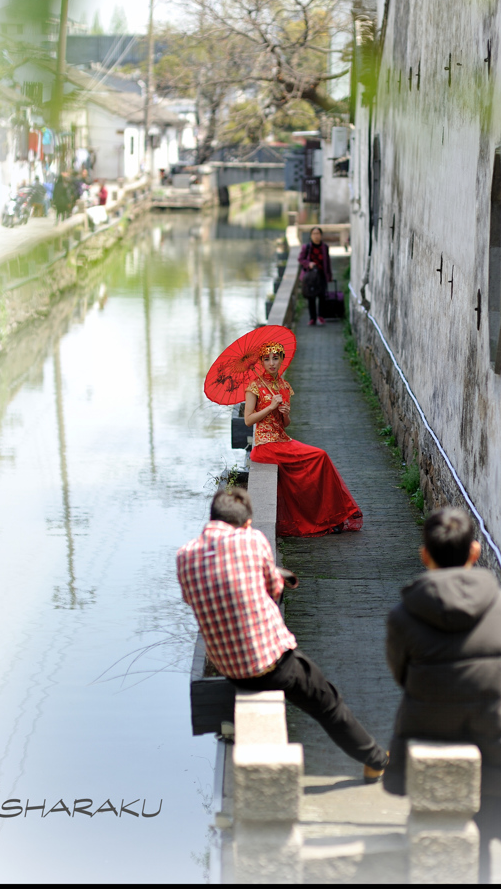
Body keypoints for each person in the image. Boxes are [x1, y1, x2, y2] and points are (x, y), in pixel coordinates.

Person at [383, 507, 501, 884]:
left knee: (438, 838)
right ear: (475, 552)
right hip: (499, 743)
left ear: (424, 555)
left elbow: (402, 675)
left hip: (430, 738)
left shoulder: (403, 616)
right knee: (484, 849)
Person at [177, 486, 389, 782]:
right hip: (271, 664)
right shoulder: (253, 540)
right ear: (247, 522)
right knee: (327, 702)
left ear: (212, 518)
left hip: (228, 669)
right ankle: (375, 760)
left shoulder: (185, 556)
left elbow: (193, 598)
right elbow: (272, 590)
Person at [245, 337, 363, 537]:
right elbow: (248, 420)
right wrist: (271, 407)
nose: (271, 363)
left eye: (275, 358)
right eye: (267, 359)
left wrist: (284, 413)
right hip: (266, 446)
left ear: (282, 359)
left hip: (283, 441)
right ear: (261, 362)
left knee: (320, 457)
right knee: (318, 457)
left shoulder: (283, 385)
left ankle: (332, 516)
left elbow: (285, 424)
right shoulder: (254, 386)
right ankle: (325, 517)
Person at [298, 226, 331, 326]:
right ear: (311, 235)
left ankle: (321, 316)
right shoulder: (307, 247)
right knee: (311, 297)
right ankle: (312, 318)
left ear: (321, 235)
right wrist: (309, 264)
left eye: (318, 234)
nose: (316, 236)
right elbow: (301, 259)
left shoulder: (324, 247)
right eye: (314, 234)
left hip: (321, 275)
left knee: (322, 296)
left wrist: (329, 275)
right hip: (310, 277)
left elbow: (327, 262)